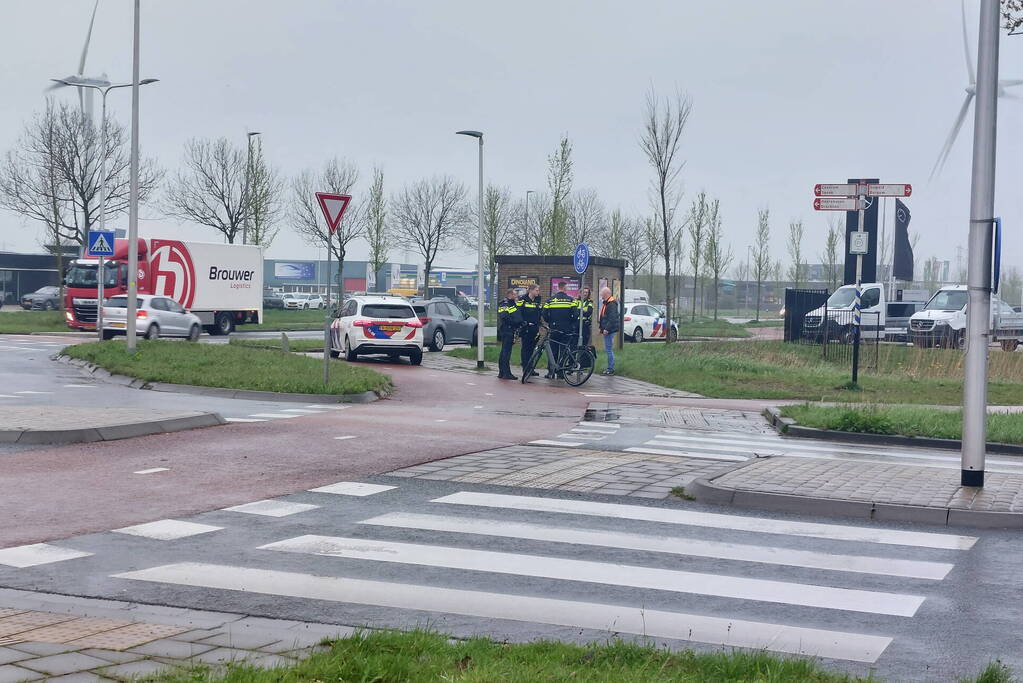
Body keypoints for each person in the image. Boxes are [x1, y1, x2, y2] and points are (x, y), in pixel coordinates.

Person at [542, 282, 578, 379]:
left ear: (558, 288)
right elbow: (576, 314)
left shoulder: (550, 300)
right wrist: (570, 322)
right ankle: (561, 372)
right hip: (566, 329)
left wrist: (550, 321)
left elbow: (544, 314)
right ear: (565, 288)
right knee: (563, 350)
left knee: (552, 350)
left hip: (554, 328)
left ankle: (551, 372)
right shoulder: (571, 300)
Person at [496, 288, 522, 380]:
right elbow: (505, 317)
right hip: (507, 330)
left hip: (510, 329)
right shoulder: (505, 304)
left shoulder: (512, 303)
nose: (516, 296)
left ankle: (502, 372)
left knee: (505, 351)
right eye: (515, 294)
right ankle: (506, 373)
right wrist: (515, 322)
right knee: (506, 352)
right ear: (510, 295)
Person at [518, 284, 542, 376]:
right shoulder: (523, 300)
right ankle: (525, 368)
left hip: (535, 328)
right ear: (531, 290)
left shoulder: (537, 300)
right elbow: (519, 312)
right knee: (525, 349)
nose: (538, 292)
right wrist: (524, 322)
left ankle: (531, 368)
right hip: (526, 328)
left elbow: (540, 312)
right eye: (536, 290)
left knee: (532, 349)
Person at [598, 286, 619, 376]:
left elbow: (612, 318)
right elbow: (603, 317)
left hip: (609, 330)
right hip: (607, 329)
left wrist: (606, 329)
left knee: (609, 349)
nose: (601, 295)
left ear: (606, 294)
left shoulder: (611, 304)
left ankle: (610, 369)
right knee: (608, 349)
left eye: (602, 293)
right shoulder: (607, 303)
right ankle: (610, 368)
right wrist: (601, 328)